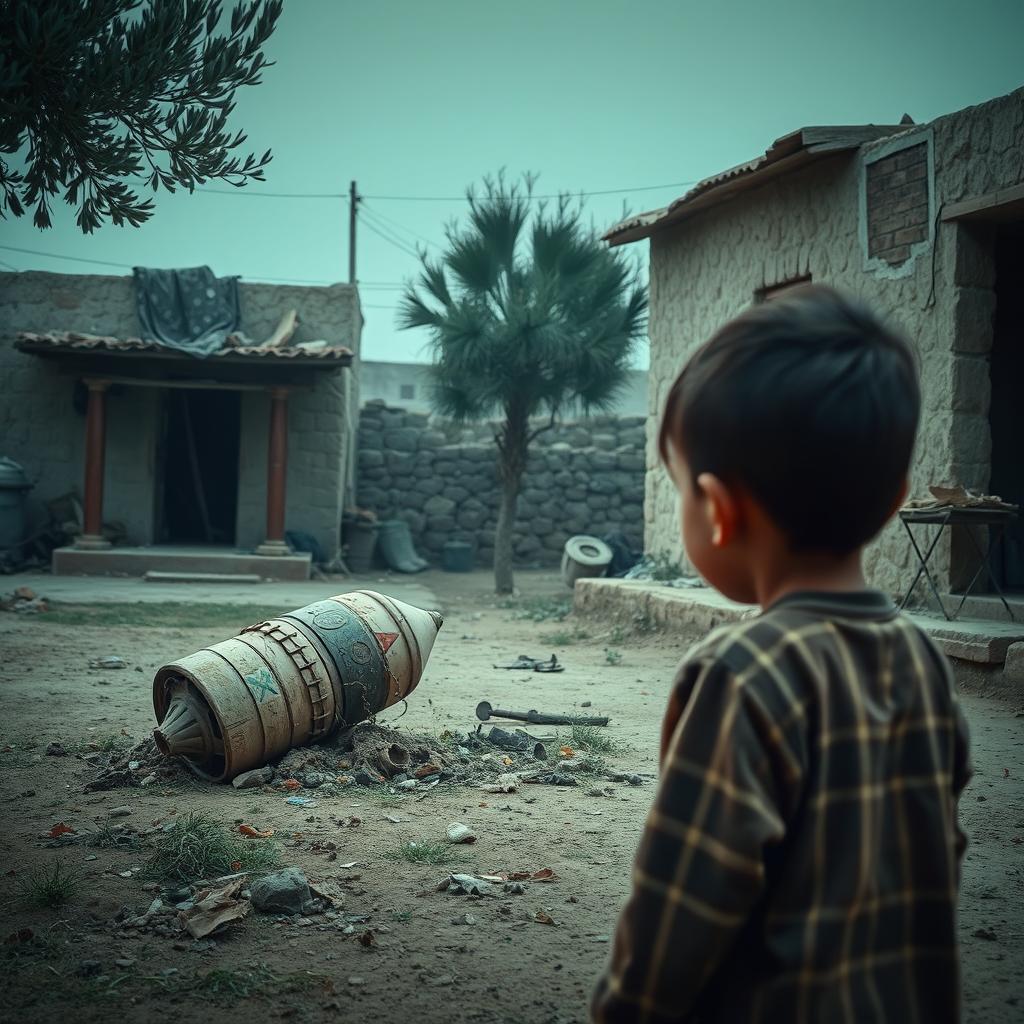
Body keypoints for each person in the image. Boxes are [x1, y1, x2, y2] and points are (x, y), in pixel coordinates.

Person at [591, 284, 971, 1023]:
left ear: (720, 513)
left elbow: (679, 914)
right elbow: (936, 864)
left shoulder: (741, 674)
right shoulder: (922, 660)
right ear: (895, 500)